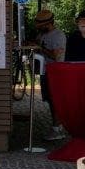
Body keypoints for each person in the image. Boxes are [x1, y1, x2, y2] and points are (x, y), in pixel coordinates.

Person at [31, 9, 67, 139]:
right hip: (45, 72)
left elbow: (56, 55)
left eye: (41, 25)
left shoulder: (58, 35)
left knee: (55, 101)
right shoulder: (43, 34)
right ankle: (56, 126)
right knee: (50, 100)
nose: (39, 27)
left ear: (48, 24)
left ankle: (58, 129)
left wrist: (40, 48)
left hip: (56, 72)